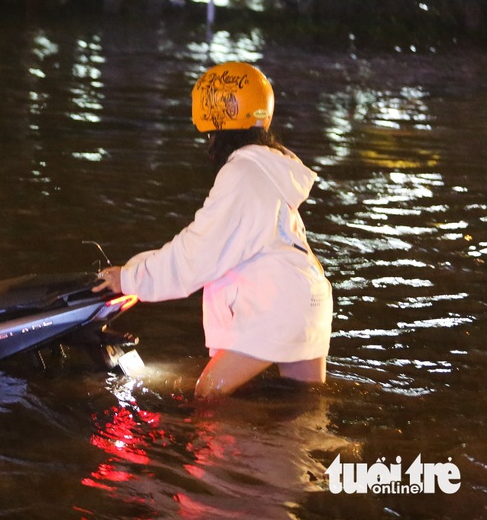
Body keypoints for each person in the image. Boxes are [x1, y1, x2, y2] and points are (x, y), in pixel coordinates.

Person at [95, 61, 333, 398]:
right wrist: (136, 268)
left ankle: (225, 452)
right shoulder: (271, 169)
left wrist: (130, 278)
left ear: (215, 121)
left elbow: (198, 252)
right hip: (311, 299)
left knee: (209, 397)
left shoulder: (242, 173)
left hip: (274, 307)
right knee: (303, 407)